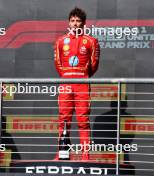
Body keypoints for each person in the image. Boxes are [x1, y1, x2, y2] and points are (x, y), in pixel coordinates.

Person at [54, 7, 100, 161]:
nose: (75, 24)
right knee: (63, 118)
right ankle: (61, 154)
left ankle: (85, 156)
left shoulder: (91, 41)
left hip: (82, 84)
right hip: (66, 83)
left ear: (84, 23)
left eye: (78, 21)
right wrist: (69, 77)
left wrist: (82, 76)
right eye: (72, 21)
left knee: (83, 119)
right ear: (69, 22)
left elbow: (94, 65)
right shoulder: (61, 41)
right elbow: (58, 65)